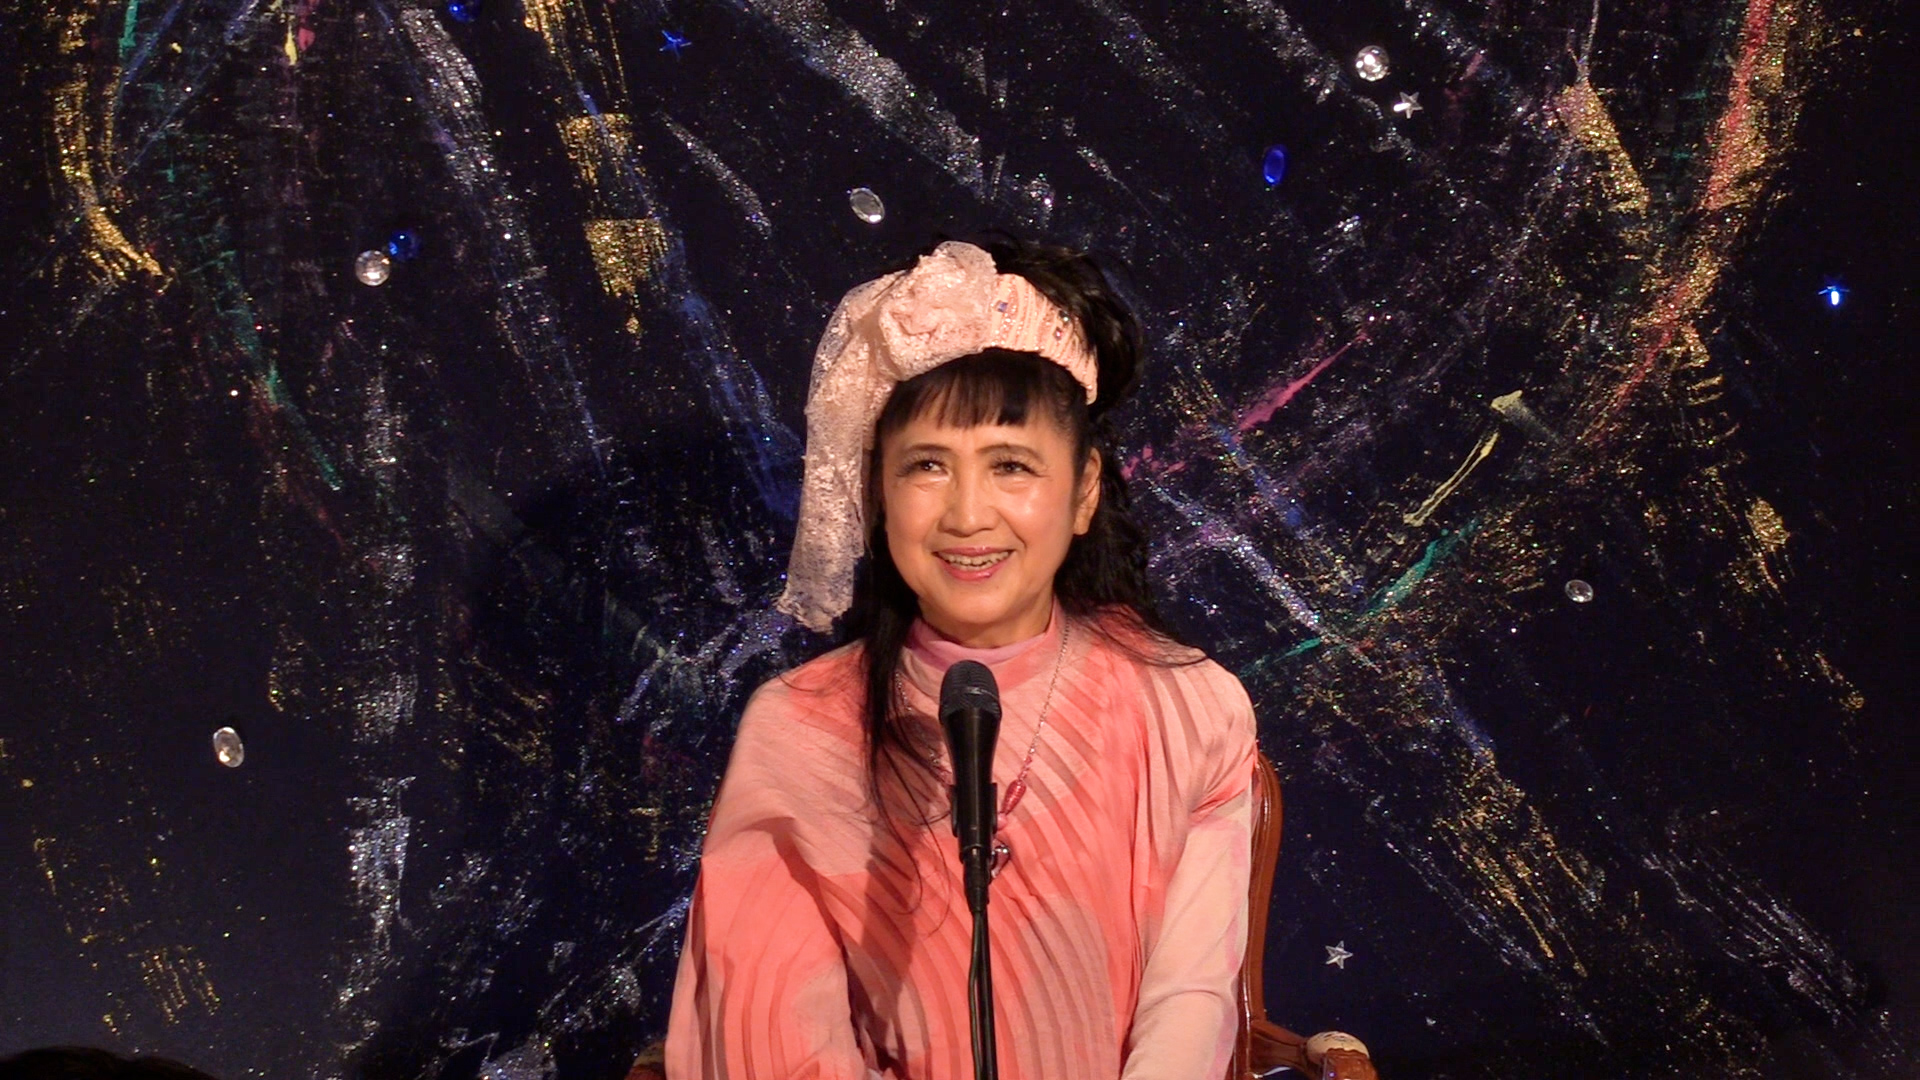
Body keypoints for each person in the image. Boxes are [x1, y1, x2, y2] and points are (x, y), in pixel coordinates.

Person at [666, 236, 1256, 1080]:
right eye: (927, 467)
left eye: (1011, 465)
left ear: (1084, 490)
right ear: (877, 492)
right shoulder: (799, 731)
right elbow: (776, 1039)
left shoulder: (1191, 709)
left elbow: (1190, 1002)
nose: (968, 515)